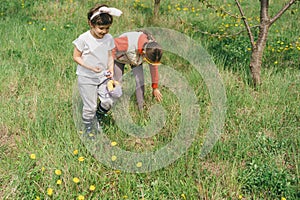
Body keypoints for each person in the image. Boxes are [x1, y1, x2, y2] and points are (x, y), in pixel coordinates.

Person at [72, 4, 122, 135]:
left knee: (108, 101)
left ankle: (98, 116)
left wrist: (111, 70)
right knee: (90, 106)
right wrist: (90, 67)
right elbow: (76, 57)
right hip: (87, 77)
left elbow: (110, 55)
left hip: (103, 77)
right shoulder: (84, 39)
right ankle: (88, 128)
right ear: (91, 24)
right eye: (101, 28)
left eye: (107, 28)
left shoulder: (108, 38)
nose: (104, 31)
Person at [113, 30, 163, 110]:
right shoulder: (127, 42)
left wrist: (155, 87)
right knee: (116, 83)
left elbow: (154, 69)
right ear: (143, 53)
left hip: (136, 59)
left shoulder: (153, 49)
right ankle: (112, 107)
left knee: (140, 81)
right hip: (119, 57)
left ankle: (141, 108)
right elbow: (110, 46)